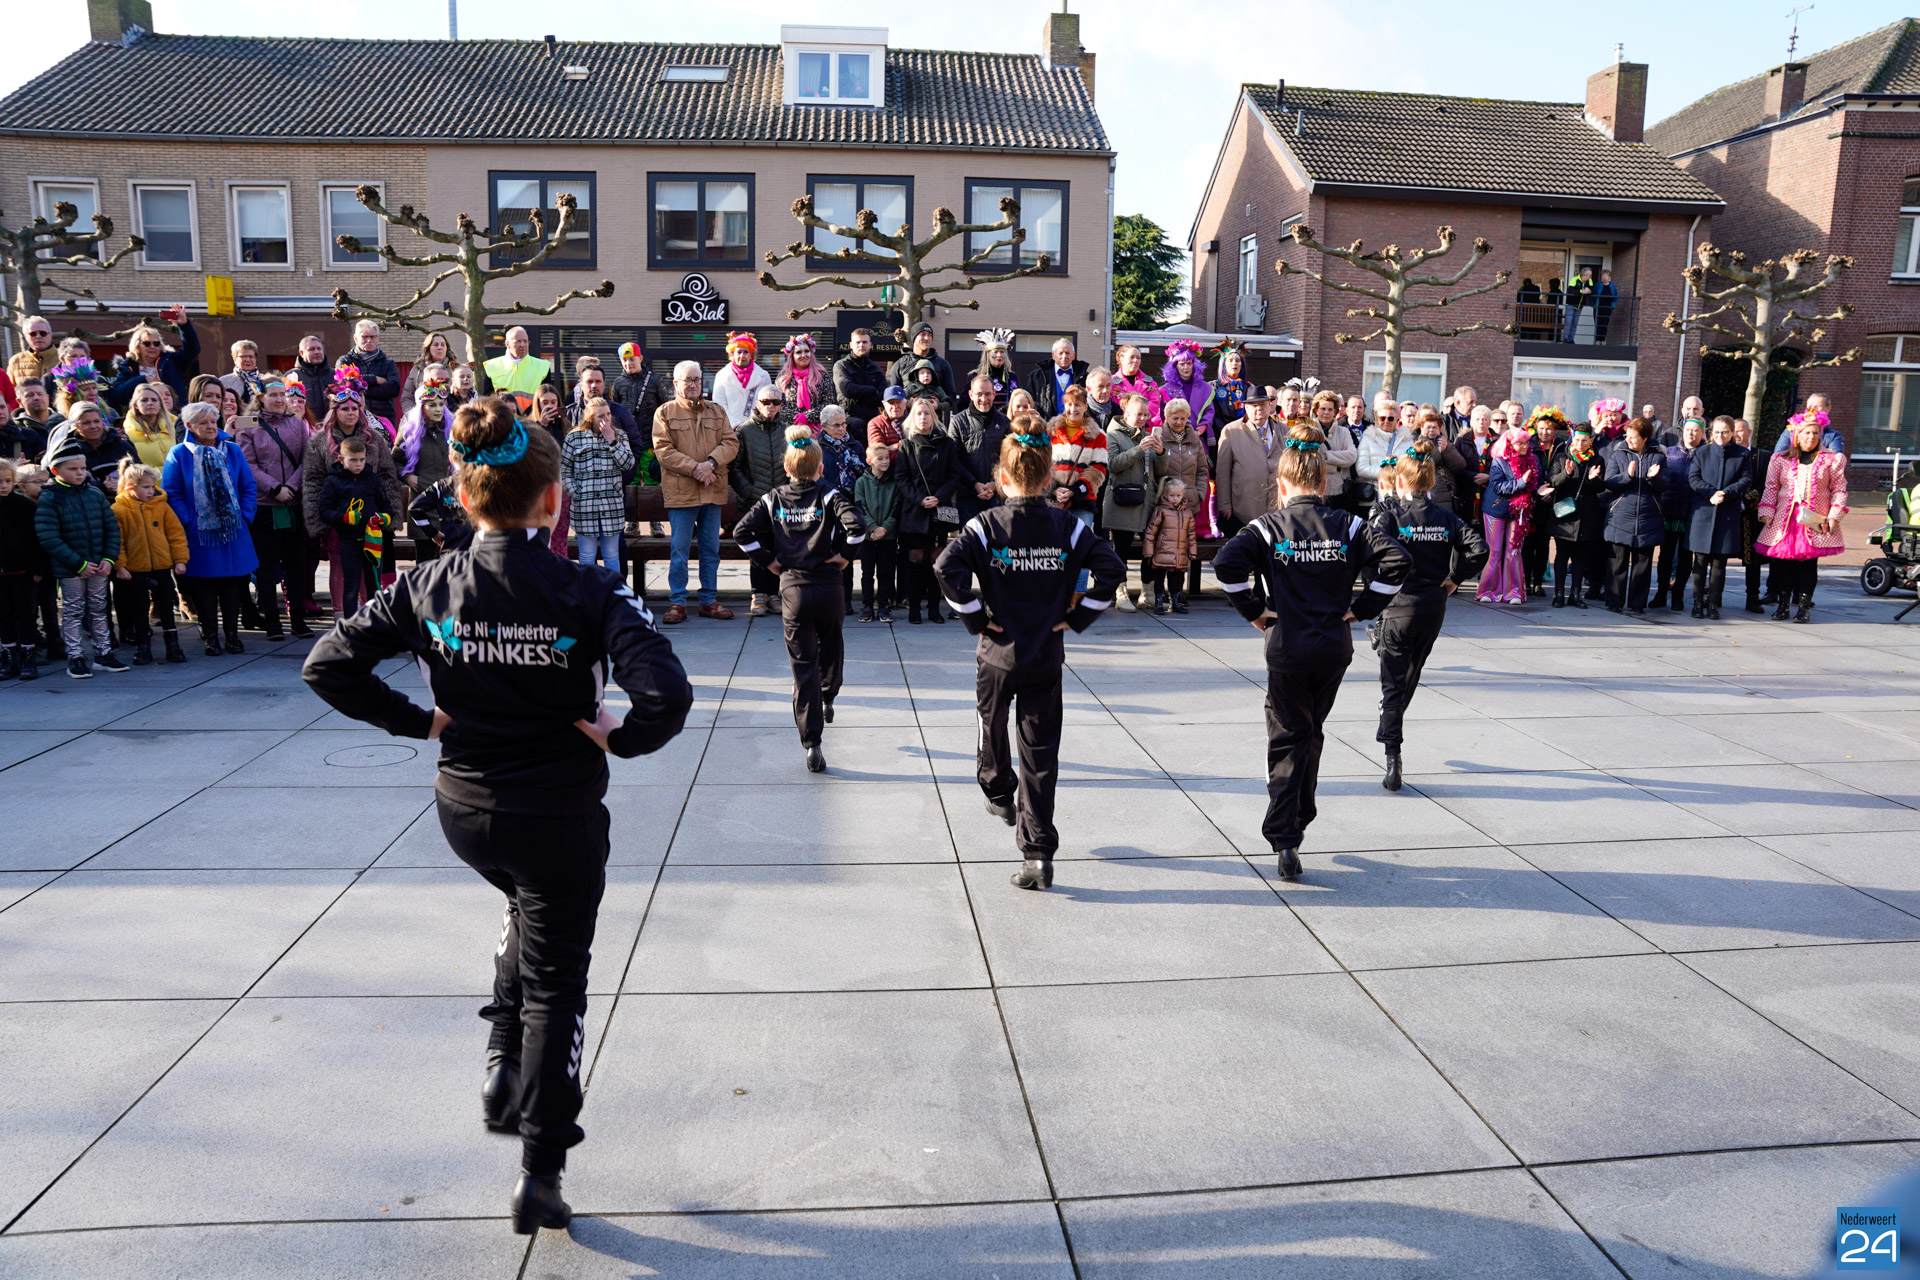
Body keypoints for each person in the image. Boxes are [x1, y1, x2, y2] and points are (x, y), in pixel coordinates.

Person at [302, 394, 694, 1235]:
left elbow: (327, 664)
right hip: (556, 814)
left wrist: (422, 723)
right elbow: (666, 694)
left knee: (526, 915)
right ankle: (540, 1170)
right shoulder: (587, 587)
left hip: (467, 810)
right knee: (559, 981)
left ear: (463, 491)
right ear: (553, 499)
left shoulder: (427, 582)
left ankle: (500, 1058)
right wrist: (620, 739)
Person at [1211, 423, 1410, 880]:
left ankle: (1286, 836)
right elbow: (1398, 560)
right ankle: (1298, 820)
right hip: (1332, 648)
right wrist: (1362, 609)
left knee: (1287, 735)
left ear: (1281, 484)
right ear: (1322, 483)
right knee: (1310, 731)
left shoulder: (1267, 526)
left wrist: (1254, 611)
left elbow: (1225, 564)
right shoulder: (1349, 524)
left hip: (1287, 647)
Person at [935, 430, 1125, 890]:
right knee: (1039, 754)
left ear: (1002, 478)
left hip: (997, 651)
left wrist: (976, 617)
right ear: (1047, 479)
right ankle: (1038, 853)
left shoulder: (985, 525)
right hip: (1044, 653)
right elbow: (1113, 570)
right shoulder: (1068, 526)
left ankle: (998, 790)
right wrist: (1077, 617)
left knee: (991, 724)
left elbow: (945, 568)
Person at [733, 425, 867, 770]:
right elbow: (858, 527)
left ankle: (812, 743)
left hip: (793, 590)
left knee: (802, 667)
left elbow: (742, 532)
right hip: (829, 587)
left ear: (787, 468)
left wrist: (769, 562)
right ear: (820, 468)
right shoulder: (829, 494)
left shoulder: (774, 497)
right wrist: (844, 557)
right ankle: (829, 694)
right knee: (832, 645)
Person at [1372, 442, 1488, 791]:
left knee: (1394, 684)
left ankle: (1392, 754)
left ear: (1400, 480)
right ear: (1432, 480)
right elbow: (1479, 548)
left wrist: (1382, 585)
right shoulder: (1445, 517)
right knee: (1409, 675)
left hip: (1399, 606)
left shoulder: (1392, 516)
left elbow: (1369, 552)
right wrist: (1455, 578)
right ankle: (1390, 722)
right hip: (1432, 608)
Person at [166, 400, 260, 654]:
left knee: (232, 586)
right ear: (189, 426)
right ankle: (210, 637)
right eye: (203, 423)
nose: (210, 427)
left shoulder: (232, 450)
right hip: (200, 534)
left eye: (213, 421)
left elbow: (248, 486)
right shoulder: (179, 454)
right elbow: (172, 493)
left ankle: (232, 636)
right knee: (205, 588)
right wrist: (190, 521)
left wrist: (245, 516)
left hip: (233, 531)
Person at [652, 360, 738, 624]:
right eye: (687, 380)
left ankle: (708, 601)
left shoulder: (717, 411)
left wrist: (710, 464)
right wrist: (695, 468)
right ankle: (677, 602)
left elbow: (731, 442)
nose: (693, 384)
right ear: (675, 383)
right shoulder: (664, 413)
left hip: (712, 490)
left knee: (710, 550)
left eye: (696, 379)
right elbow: (663, 450)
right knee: (679, 552)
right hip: (682, 493)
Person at [36, 435, 125, 678]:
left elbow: (111, 529)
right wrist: (78, 563)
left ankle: (103, 653)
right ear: (56, 471)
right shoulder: (51, 497)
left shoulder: (94, 494)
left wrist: (109, 559)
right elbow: (49, 537)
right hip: (71, 569)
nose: (80, 473)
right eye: (73, 469)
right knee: (73, 611)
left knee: (98, 609)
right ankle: (75, 656)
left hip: (99, 566)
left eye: (83, 468)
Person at [235, 377, 314, 638]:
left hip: (293, 503)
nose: (280, 400)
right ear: (261, 397)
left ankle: (298, 621)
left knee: (296, 566)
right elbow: (248, 463)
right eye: (273, 395)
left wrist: (290, 486)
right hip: (264, 505)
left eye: (282, 394)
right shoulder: (248, 423)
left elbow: (306, 460)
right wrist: (274, 488)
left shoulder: (297, 423)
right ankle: (272, 622)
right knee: (266, 568)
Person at [1756, 411, 1848, 622]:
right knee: (1782, 566)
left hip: (1813, 521)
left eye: (1815, 433)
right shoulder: (1780, 459)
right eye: (1807, 432)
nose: (1811, 437)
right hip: (1785, 521)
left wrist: (1834, 516)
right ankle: (1782, 606)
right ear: (1797, 434)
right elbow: (1771, 487)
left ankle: (1803, 608)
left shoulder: (1831, 460)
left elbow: (1839, 489)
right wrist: (1766, 512)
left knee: (1807, 567)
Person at [894, 397, 973, 624]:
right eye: (918, 413)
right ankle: (914, 608)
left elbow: (954, 475)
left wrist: (939, 497)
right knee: (915, 559)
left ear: (934, 416)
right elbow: (901, 478)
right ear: (912, 417)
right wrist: (920, 499)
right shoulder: (906, 445)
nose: (923, 417)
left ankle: (934, 608)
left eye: (927, 413)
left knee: (937, 559)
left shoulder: (946, 444)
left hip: (940, 508)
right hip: (915, 509)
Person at [110, 460, 189, 665]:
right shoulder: (119, 510)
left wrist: (180, 559)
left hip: (161, 566)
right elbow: (116, 541)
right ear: (130, 487)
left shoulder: (161, 507)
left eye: (152, 486)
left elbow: (176, 534)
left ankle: (173, 645)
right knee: (139, 607)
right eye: (145, 487)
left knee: (166, 605)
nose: (151, 491)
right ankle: (142, 646)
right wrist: (121, 565)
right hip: (135, 568)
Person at [730, 386, 791, 617]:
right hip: (754, 502)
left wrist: (789, 492)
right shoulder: (744, 431)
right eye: (766, 402)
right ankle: (757, 594)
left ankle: (773, 594)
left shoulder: (787, 431)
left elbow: (794, 463)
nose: (771, 406)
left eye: (776, 402)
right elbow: (734, 468)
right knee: (758, 547)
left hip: (782, 502)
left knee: (777, 547)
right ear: (757, 403)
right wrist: (750, 491)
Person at [561, 396, 635, 578]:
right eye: (601, 416)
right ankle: (589, 593)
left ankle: (613, 592)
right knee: (587, 556)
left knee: (611, 555)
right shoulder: (574, 437)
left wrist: (612, 441)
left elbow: (628, 464)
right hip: (584, 506)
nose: (606, 419)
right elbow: (564, 470)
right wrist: (576, 493)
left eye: (608, 414)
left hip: (611, 505)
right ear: (590, 418)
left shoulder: (619, 435)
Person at [1686, 416, 1752, 619]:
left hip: (1727, 513)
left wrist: (1726, 493)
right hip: (1703, 512)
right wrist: (1711, 493)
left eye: (1724, 432)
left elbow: (1746, 479)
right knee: (1700, 561)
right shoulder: (1702, 452)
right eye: (1716, 432)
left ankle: (1713, 604)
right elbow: (1693, 478)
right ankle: (1697, 603)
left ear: (1732, 432)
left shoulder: (1742, 454)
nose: (1720, 436)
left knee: (1719, 563)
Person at [1602, 418, 1666, 614]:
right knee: (1617, 563)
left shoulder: (1658, 457)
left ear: (1645, 438)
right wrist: (1627, 476)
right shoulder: (1618, 455)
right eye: (1627, 436)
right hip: (1621, 515)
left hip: (1648, 517)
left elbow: (1665, 485)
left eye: (1633, 437)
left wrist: (1654, 478)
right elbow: (1609, 482)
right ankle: (1614, 601)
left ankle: (1637, 603)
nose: (1628, 440)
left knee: (1642, 565)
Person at [1100, 393, 1157, 612]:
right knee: (1121, 549)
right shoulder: (1112, 435)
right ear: (1126, 413)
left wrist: (1160, 453)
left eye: (1145, 414)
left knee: (1149, 548)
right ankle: (1120, 592)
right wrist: (1139, 449)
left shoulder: (1148, 435)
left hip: (1146, 501)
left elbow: (1159, 469)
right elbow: (1113, 464)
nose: (1143, 418)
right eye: (1138, 414)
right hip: (1122, 499)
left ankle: (1147, 591)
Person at [1048, 387, 1107, 595]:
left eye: (1078, 404)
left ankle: (1077, 595)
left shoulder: (1098, 435)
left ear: (1085, 406)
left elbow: (1099, 468)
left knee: (1080, 549)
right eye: (1069, 404)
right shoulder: (1050, 432)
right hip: (1054, 502)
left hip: (1083, 502)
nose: (1073, 409)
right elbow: (1043, 465)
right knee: (1054, 550)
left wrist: (1074, 490)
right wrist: (1054, 489)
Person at [1151, 397, 1212, 592]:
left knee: (1182, 550)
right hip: (1163, 505)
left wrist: (1199, 493)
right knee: (1162, 549)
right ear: (1166, 417)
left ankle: (1177, 593)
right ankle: (1159, 593)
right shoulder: (1159, 438)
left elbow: (1202, 470)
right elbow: (1151, 470)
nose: (1179, 422)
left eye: (1183, 418)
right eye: (1174, 418)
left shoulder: (1195, 441)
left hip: (1188, 504)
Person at [1477, 424, 1538, 605]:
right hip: (1496, 509)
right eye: (1520, 443)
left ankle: (1514, 592)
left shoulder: (1532, 460)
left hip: (1519, 511)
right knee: (1494, 551)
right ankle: (1487, 590)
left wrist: (1538, 489)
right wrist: (1521, 482)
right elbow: (1497, 486)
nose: (1524, 446)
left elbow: (1536, 482)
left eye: (1526, 443)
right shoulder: (1499, 462)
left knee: (1514, 550)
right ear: (1510, 444)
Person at [1216, 385, 1283, 541]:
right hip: (1244, 506)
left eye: (1263, 404)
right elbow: (1222, 471)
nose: (1259, 409)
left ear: (1270, 406)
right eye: (1253, 405)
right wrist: (1224, 504)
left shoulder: (1284, 430)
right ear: (1246, 407)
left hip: (1277, 507)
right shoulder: (1231, 431)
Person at [1651, 418, 1704, 611]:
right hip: (1669, 511)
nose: (1691, 433)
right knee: (1665, 556)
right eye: (1688, 429)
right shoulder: (1669, 453)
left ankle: (1678, 594)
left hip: (1692, 514)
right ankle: (1660, 592)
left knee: (1685, 557)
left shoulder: (1705, 455)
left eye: (1695, 430)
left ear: (1702, 433)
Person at [0, 458, 46, 679]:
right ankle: (9, 655)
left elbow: (35, 540)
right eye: (0, 482)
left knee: (25, 613)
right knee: (3, 614)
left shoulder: (25, 506)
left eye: (8, 481)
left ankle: (28, 655)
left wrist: (37, 568)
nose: (4, 486)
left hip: (22, 570)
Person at [947, 376, 1010, 524]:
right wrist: (974, 484)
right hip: (967, 496)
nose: (984, 399)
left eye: (988, 394)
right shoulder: (958, 422)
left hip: (997, 496)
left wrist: (995, 484)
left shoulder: (1005, 422)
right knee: (970, 538)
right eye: (979, 394)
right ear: (971, 395)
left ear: (994, 394)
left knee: (997, 538)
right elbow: (953, 460)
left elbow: (1010, 458)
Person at [104, 313, 198, 414]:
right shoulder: (127, 367)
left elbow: (193, 349)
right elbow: (117, 396)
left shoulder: (171, 361)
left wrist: (184, 325)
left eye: (156, 343)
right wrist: (142, 380)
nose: (152, 347)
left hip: (174, 415)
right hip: (144, 418)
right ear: (137, 346)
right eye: (147, 344)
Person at [44, 399, 133, 493]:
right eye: (86, 423)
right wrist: (102, 485)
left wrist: (120, 483)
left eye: (97, 421)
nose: (93, 426)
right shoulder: (69, 450)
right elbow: (63, 481)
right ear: (75, 426)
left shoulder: (120, 444)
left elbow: (139, 472)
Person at [854, 442, 899, 622]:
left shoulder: (894, 483)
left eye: (887, 458)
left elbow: (896, 508)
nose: (885, 461)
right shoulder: (861, 482)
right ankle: (867, 606)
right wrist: (873, 528)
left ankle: (883, 607)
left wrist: (884, 528)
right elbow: (860, 507)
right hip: (868, 536)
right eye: (880, 459)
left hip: (888, 536)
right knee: (867, 573)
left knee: (885, 573)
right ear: (869, 461)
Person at [1143, 477, 1196, 614]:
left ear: (1183, 495)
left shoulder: (1187, 513)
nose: (1175, 499)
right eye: (1172, 495)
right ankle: (1159, 601)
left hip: (1179, 554)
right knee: (1159, 578)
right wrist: (1149, 551)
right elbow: (1151, 532)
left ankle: (1175, 602)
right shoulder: (1161, 511)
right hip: (1162, 552)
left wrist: (1192, 551)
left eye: (1178, 495)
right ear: (1165, 495)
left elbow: (1191, 534)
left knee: (1175, 579)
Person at [339, 320, 404, 424]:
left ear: (378, 338)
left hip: (383, 420)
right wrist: (376, 379)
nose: (369, 340)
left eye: (372, 337)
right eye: (364, 337)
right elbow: (345, 386)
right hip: (354, 420)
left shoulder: (388, 363)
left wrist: (360, 387)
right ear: (355, 338)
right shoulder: (345, 361)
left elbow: (394, 389)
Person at [1354, 399, 1409, 513]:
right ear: (1377, 419)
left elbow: (1410, 468)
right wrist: (1387, 473)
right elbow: (1361, 468)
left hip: (1399, 498)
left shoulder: (1407, 440)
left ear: (1397, 419)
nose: (1386, 421)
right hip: (1374, 498)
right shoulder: (1367, 439)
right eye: (1382, 418)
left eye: (1390, 418)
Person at [711, 331, 772, 428]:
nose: (742, 356)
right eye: (739, 352)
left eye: (746, 352)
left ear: (751, 355)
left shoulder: (764, 376)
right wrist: (736, 425)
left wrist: (756, 423)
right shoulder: (721, 375)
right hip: (729, 428)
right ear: (732, 354)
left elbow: (768, 402)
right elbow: (719, 404)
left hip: (758, 428)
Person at [833, 329, 888, 433]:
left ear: (870, 345)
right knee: (858, 424)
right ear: (851, 345)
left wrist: (858, 395)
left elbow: (883, 395)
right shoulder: (841, 366)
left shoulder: (876, 369)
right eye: (858, 342)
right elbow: (847, 389)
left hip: (872, 419)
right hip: (848, 420)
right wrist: (873, 390)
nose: (861, 345)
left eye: (864, 342)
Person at [1158, 341, 1212, 444]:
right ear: (1175, 366)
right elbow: (1162, 415)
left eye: (1189, 363)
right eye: (1182, 364)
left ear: (1194, 365)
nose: (1186, 367)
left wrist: (1198, 431)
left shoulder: (1206, 388)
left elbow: (1209, 413)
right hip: (1173, 440)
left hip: (1198, 439)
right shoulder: (1165, 389)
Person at [887, 323, 956, 401]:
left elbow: (951, 394)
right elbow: (892, 395)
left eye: (930, 335)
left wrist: (939, 403)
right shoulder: (900, 365)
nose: (927, 338)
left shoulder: (942, 364)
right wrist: (907, 402)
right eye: (923, 334)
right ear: (914, 338)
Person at [1024, 337, 1089, 419]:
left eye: (1067, 353)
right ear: (1053, 355)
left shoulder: (1084, 377)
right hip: (1046, 423)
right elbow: (1030, 400)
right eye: (1060, 353)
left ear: (1073, 355)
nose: (1064, 356)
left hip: (1075, 423)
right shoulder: (1037, 376)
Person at [776, 333, 830, 424]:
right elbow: (778, 404)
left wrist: (807, 418)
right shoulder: (782, 377)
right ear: (792, 356)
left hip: (817, 427)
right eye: (798, 352)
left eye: (806, 351)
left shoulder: (822, 375)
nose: (803, 355)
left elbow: (828, 403)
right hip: (790, 428)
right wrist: (798, 419)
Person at [121, 382, 177, 470]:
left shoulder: (175, 427)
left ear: (160, 404)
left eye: (154, 400)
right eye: (144, 400)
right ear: (136, 405)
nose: (150, 403)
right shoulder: (127, 434)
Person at [611, 342, 663, 435]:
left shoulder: (655, 380)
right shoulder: (617, 383)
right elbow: (615, 410)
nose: (628, 363)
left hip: (652, 435)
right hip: (627, 436)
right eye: (624, 360)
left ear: (640, 358)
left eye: (632, 359)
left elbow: (664, 407)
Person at [401, 332, 463, 409]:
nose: (440, 347)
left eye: (443, 345)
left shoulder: (456, 369)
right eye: (436, 345)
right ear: (428, 348)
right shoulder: (417, 369)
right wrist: (414, 413)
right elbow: (407, 397)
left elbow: (464, 394)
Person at [8, 377, 63, 462]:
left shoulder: (63, 422)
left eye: (40, 394)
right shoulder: (15, 430)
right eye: (30, 395)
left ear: (47, 397)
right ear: (19, 401)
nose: (36, 398)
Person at [1770, 395, 1845, 456]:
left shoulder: (1833, 436)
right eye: (1809, 407)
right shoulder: (1791, 431)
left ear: (1828, 408)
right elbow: (1778, 455)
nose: (1812, 410)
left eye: (1816, 407)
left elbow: (1836, 459)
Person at [1110, 344, 1164, 425]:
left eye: (1138, 358)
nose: (1135, 360)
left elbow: (1155, 403)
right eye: (1132, 357)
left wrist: (1141, 416)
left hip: (1144, 425)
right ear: (1121, 359)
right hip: (1120, 425)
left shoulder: (1150, 384)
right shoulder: (1111, 383)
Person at [970, 329, 1019, 415]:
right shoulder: (976, 376)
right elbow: (964, 404)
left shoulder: (1011, 377)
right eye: (995, 352)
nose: (999, 355)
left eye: (1002, 352)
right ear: (987, 355)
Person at [1208, 340, 1253, 432]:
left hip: (1245, 432)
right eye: (1230, 360)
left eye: (1238, 361)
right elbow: (1212, 414)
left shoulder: (1249, 387)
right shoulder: (1213, 386)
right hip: (1221, 433)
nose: (1234, 363)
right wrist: (1227, 431)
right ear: (1223, 364)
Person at [220, 339, 267, 405]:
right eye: (243, 357)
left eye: (251, 357)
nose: (247, 360)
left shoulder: (266, 380)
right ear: (234, 359)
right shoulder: (223, 381)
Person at [292, 334, 331, 411]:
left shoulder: (335, 375)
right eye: (311, 349)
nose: (317, 352)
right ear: (301, 353)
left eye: (319, 349)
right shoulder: (292, 377)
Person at [867, 386, 909, 453]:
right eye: (891, 403)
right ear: (884, 404)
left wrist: (895, 446)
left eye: (898, 402)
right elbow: (878, 453)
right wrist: (907, 445)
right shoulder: (876, 423)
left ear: (906, 403)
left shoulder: (915, 420)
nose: (895, 407)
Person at [1593, 270, 1619, 344]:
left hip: (1607, 307)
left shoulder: (1612, 286)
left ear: (1609, 277)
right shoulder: (1598, 285)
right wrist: (1593, 304)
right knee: (1598, 323)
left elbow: (1615, 297)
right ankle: (1598, 340)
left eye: (1606, 276)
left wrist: (1612, 306)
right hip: (1598, 306)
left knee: (1605, 323)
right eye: (1603, 276)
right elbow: (1593, 295)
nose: (1604, 278)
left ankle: (1603, 339)